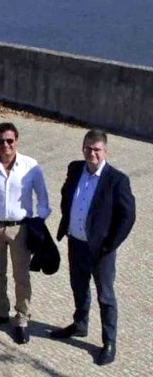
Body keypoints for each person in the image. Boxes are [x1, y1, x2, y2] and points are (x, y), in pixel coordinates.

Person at [50, 129, 135, 366]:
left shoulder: (117, 180)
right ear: (82, 148)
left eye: (97, 149)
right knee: (78, 285)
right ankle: (80, 324)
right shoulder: (75, 168)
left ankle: (109, 341)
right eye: (88, 148)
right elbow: (67, 195)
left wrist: (110, 244)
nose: (92, 153)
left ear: (105, 151)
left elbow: (127, 216)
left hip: (101, 250)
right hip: (76, 242)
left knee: (105, 296)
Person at [0, 122, 49, 345]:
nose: (5, 145)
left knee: (21, 275)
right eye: (0, 141)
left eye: (9, 140)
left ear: (17, 141)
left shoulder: (30, 166)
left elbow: (43, 199)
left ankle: (22, 318)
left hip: (20, 228)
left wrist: (38, 223)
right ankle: (1, 312)